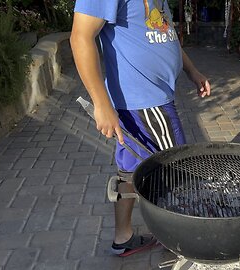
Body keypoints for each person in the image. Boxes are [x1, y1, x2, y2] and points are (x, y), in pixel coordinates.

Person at [70, 0, 211, 257]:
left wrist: (193, 71)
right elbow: (80, 37)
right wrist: (101, 104)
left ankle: (123, 236)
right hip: (144, 101)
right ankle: (181, 241)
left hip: (148, 99)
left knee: (130, 171)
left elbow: (165, 33)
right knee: (174, 172)